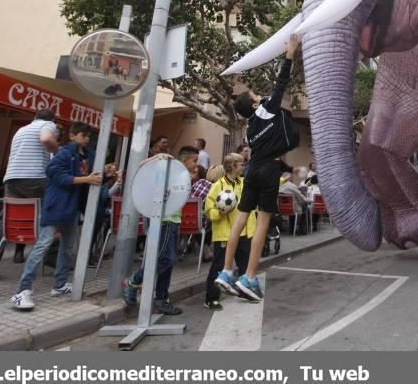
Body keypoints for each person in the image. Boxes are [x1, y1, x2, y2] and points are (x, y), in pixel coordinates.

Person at [215, 35, 301, 301]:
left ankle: (226, 271)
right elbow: (282, 81)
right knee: (262, 223)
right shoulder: (268, 109)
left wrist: (259, 101)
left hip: (251, 170)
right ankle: (249, 277)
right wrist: (290, 52)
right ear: (253, 104)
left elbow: (262, 107)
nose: (257, 94)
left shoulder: (250, 126)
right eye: (253, 95)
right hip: (267, 171)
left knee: (240, 220)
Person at [10, 122, 101, 310]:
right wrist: (86, 179)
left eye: (88, 136)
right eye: (83, 135)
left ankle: (59, 285)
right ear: (73, 135)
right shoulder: (64, 153)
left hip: (72, 207)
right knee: (43, 245)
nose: (86, 138)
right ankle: (22, 290)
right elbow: (56, 175)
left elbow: (91, 178)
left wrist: (104, 175)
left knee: (67, 247)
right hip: (57, 205)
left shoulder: (89, 155)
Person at [0, 109, 59, 283]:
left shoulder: (21, 130)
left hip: (12, 179)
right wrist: (57, 151)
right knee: (53, 214)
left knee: (5, 223)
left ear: (34, 117)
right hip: (35, 178)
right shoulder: (48, 125)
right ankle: (53, 259)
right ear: (52, 119)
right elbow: (46, 139)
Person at [121, 146, 198, 315]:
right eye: (194, 161)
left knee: (168, 263)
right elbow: (141, 165)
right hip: (163, 220)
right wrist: (158, 157)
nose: (196, 165)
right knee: (165, 258)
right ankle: (134, 281)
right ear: (184, 160)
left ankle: (162, 299)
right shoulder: (167, 166)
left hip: (174, 220)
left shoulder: (181, 175)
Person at [204, 153, 255, 310]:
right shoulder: (217, 186)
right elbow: (208, 209)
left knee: (245, 265)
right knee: (219, 267)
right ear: (232, 166)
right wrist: (219, 213)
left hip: (244, 232)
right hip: (225, 234)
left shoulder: (244, 183)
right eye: (241, 164)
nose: (243, 166)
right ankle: (211, 298)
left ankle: (244, 291)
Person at [279, 169, 310, 234]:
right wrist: (308, 200)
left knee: (293, 207)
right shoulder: (292, 186)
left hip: (281, 209)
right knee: (305, 207)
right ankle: (302, 230)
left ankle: (291, 229)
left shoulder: (278, 186)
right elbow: (301, 198)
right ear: (289, 177)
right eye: (292, 176)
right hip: (293, 209)